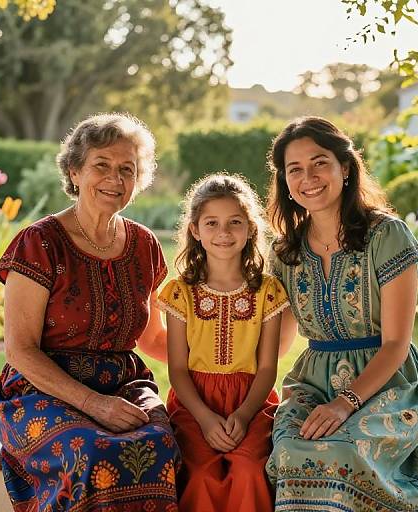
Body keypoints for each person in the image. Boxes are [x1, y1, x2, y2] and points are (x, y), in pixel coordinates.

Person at [0, 113, 180, 512]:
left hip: (123, 384)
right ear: (75, 171)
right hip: (42, 391)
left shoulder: (145, 245)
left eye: (127, 170)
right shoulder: (39, 242)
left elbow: (153, 340)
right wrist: (94, 404)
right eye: (102, 166)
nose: (115, 179)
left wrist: (226, 359)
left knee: (162, 445)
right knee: (94, 456)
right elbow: (20, 351)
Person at [265, 117, 418, 512]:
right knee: (289, 450)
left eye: (319, 162)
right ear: (285, 182)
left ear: (345, 166)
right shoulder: (284, 252)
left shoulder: (386, 235)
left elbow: (396, 344)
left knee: (339, 453)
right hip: (313, 384)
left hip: (387, 383)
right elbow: (277, 342)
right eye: (295, 169)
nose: (308, 177)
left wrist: (345, 403)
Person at [157, 174, 289, 512]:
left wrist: (244, 415)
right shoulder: (180, 292)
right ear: (195, 230)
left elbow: (267, 367)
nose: (224, 233)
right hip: (194, 403)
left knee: (247, 469)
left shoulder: (267, 291)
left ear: (250, 229)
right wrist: (203, 417)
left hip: (252, 401)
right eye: (211, 223)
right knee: (200, 473)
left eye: (235, 222)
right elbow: (177, 369)